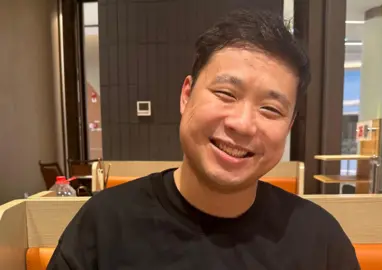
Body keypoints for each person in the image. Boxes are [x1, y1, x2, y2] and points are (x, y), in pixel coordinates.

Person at [47, 9, 359, 270]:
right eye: (226, 94)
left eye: (270, 108)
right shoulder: (104, 226)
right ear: (186, 95)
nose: (243, 124)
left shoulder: (321, 242)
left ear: (289, 126)